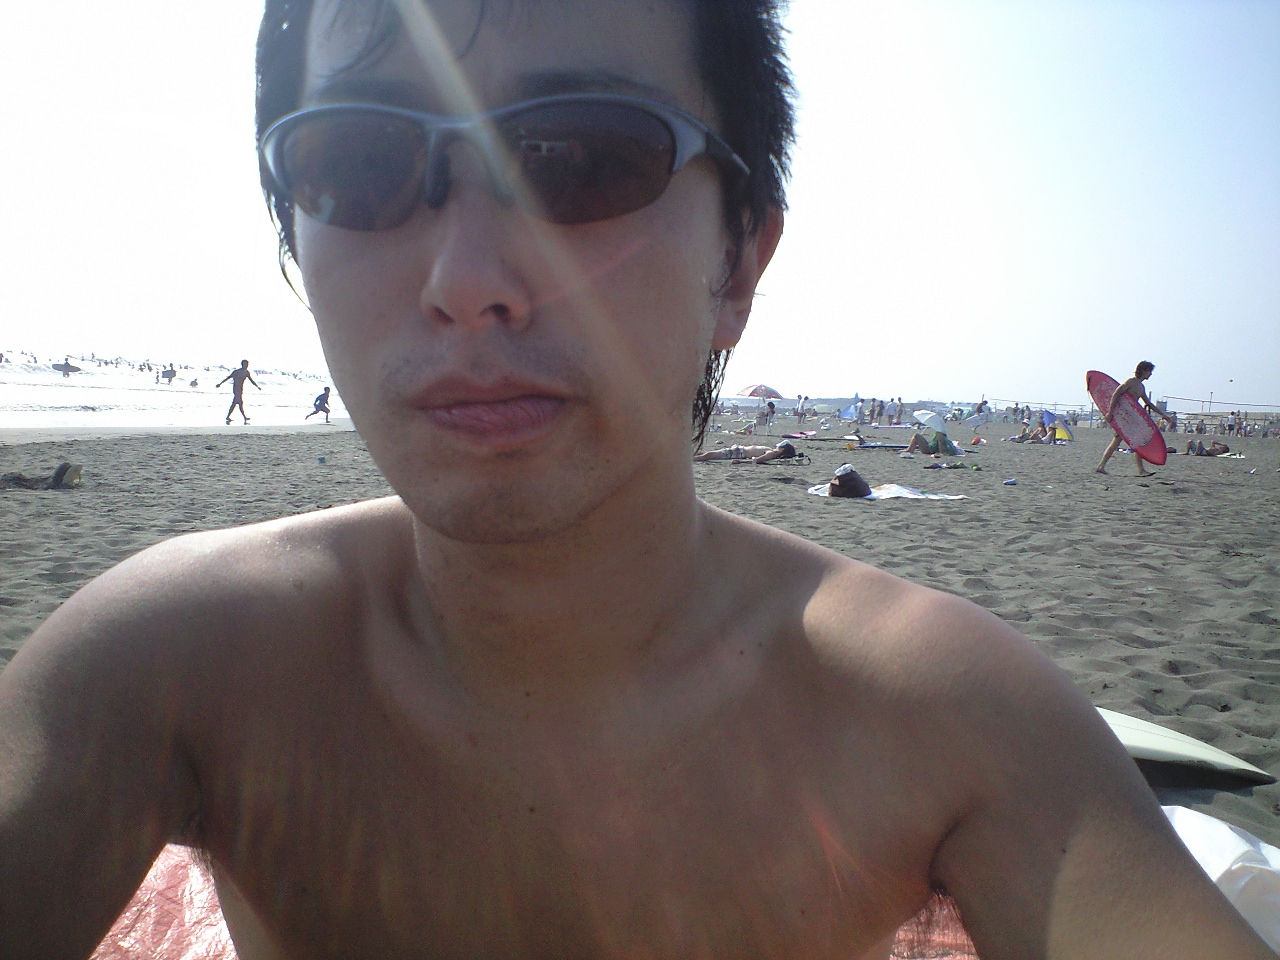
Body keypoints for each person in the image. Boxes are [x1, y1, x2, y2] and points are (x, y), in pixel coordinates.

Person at [1, 2, 1272, 959]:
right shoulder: (164, 668)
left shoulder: (947, 720)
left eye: (579, 156)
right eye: (355, 160)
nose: (465, 279)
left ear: (738, 262)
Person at [1095, 360, 1175, 476]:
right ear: (1144, 371)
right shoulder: (1130, 382)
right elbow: (1116, 394)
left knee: (1136, 443)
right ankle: (1102, 466)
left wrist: (1164, 415)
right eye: (1149, 371)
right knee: (1117, 443)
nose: (1150, 374)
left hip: (1131, 419)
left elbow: (1149, 404)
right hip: (1123, 419)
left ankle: (1138, 470)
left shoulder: (1141, 387)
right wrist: (1110, 412)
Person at [216, 359, 261, 425]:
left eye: (247, 364)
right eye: (245, 364)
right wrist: (220, 384)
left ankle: (228, 416)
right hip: (236, 389)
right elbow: (228, 377)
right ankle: (244, 417)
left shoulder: (246, 372)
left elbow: (251, 380)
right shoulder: (236, 372)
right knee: (240, 403)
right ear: (242, 364)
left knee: (235, 403)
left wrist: (257, 386)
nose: (247, 366)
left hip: (240, 389)